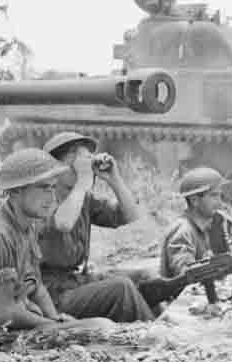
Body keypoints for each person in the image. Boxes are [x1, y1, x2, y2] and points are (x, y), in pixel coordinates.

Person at [0, 148, 108, 330]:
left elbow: (37, 287)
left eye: (52, 187)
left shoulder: (27, 226)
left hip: (18, 323)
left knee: (102, 326)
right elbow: (6, 315)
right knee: (100, 327)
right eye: (43, 188)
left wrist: (56, 318)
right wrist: (58, 328)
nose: (52, 198)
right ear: (16, 191)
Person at [38, 131, 154, 322]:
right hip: (50, 296)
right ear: (58, 166)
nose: (86, 168)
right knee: (121, 288)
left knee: (144, 277)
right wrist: (83, 181)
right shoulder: (43, 199)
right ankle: (152, 335)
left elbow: (131, 216)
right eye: (79, 162)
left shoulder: (83, 198)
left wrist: (114, 179)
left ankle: (157, 324)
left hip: (75, 282)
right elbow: (63, 223)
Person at [160, 167, 226, 304]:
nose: (220, 203)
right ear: (195, 200)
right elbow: (185, 272)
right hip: (181, 303)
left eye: (220, 196)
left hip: (196, 298)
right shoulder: (183, 230)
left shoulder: (208, 225)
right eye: (214, 196)